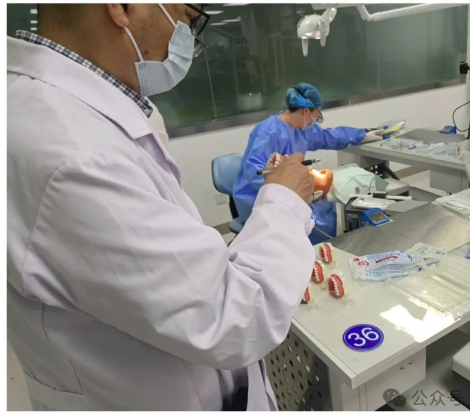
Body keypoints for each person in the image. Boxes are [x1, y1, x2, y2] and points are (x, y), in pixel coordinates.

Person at [8, 4, 317, 411]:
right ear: (121, 8)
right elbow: (232, 317)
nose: (189, 36)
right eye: (187, 15)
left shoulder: (71, 113)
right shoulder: (72, 154)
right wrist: (284, 199)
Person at [233, 83, 382, 244]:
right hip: (257, 197)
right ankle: (310, 251)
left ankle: (322, 248)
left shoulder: (301, 130)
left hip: (287, 189)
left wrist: (362, 135)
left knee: (324, 205)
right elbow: (254, 173)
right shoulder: (268, 132)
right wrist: (293, 186)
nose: (315, 121)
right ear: (305, 111)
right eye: (316, 115)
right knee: (312, 216)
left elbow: (328, 136)